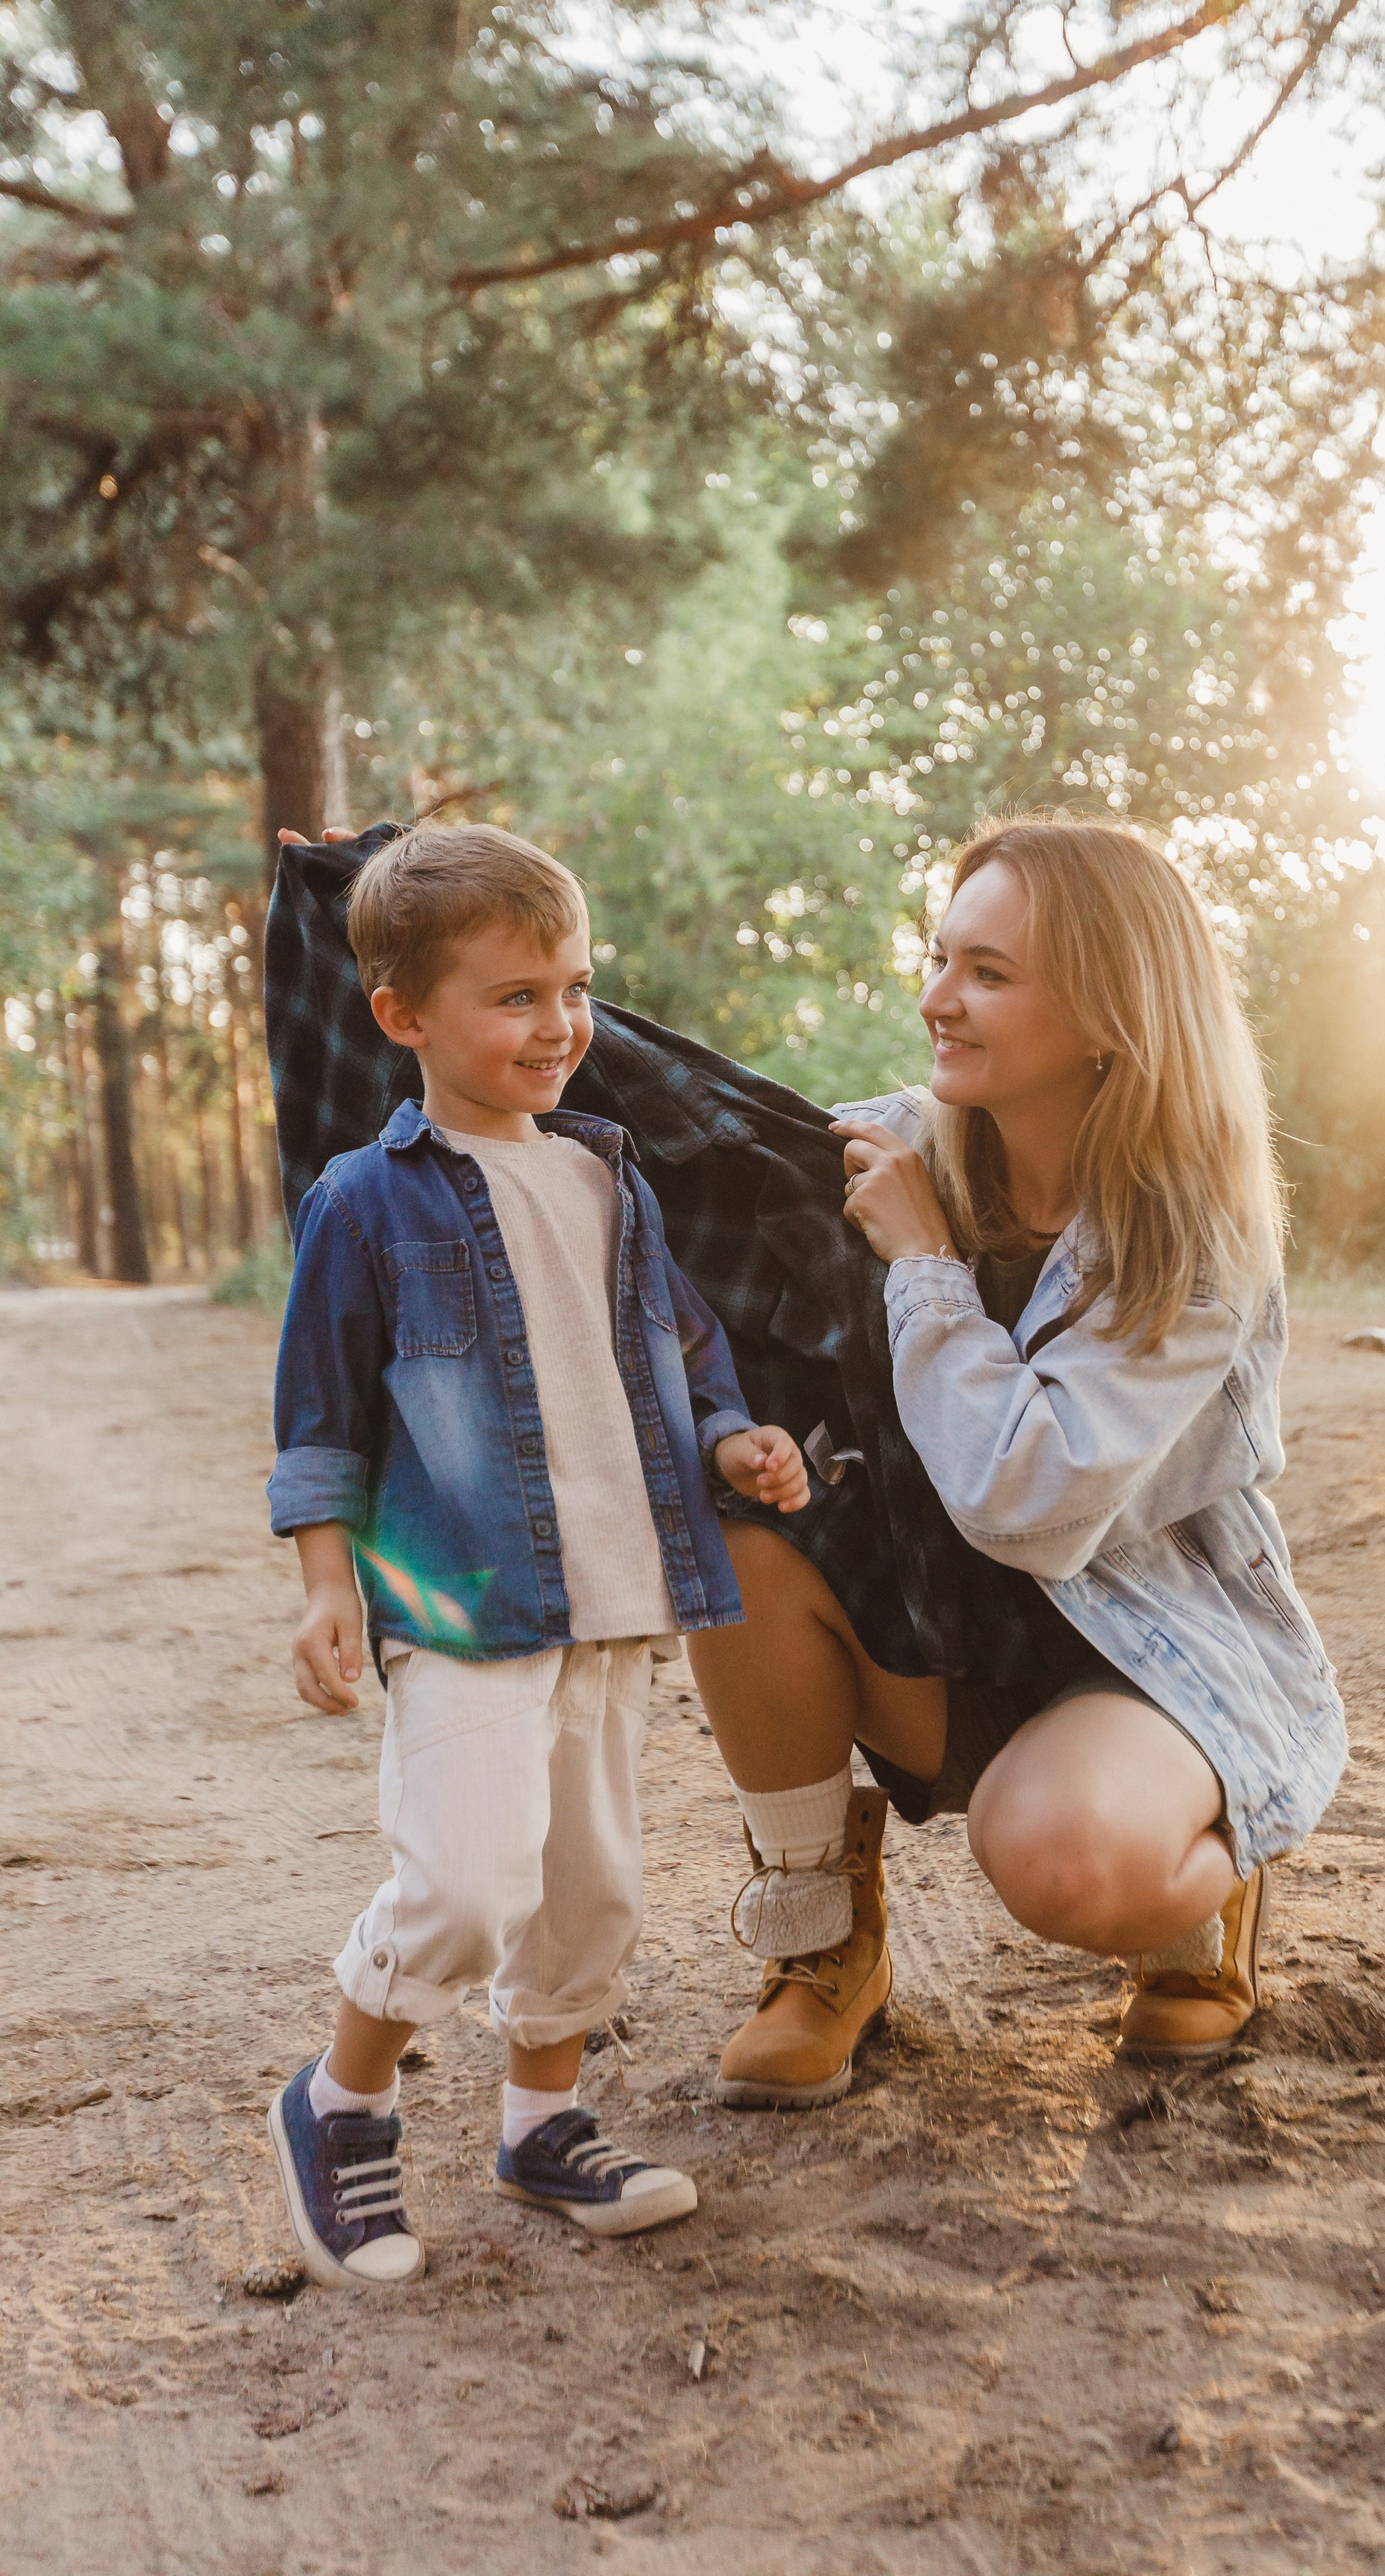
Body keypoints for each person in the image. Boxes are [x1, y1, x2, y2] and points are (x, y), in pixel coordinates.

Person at [697, 815, 1347, 2108]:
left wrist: (928, 1269)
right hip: (946, 1631)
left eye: (989, 973)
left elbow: (1026, 1498)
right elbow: (643, 1134)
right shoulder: (895, 1143)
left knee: (1058, 1861)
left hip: (1146, 1653)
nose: (938, 998)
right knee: (742, 1526)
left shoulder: (1193, 1234)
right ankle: (824, 1941)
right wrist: (386, 915)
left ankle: (1202, 1883)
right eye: (941, 958)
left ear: (1111, 1013)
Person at [264, 823, 810, 2288]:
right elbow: (317, 1423)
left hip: (617, 1597)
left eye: (572, 987)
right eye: (514, 997)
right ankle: (341, 2100)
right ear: (402, 1017)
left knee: (591, 1889)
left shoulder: (605, 1182)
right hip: (464, 1606)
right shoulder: (364, 1205)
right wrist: (328, 1588)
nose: (559, 1023)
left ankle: (540, 2124)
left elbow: (681, 1359)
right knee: (462, 1886)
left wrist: (731, 1443)